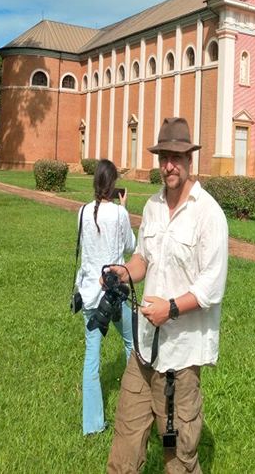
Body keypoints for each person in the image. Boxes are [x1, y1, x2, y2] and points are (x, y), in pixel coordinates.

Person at [106, 117, 228, 473]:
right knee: (125, 441)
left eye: (176, 157)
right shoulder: (153, 206)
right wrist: (125, 272)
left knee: (178, 454)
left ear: (190, 161)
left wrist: (171, 309)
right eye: (164, 157)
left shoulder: (209, 214)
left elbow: (212, 287)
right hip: (144, 349)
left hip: (180, 358)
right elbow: (144, 257)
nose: (169, 165)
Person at [76, 159, 136, 436]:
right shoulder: (119, 214)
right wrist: (125, 210)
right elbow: (130, 246)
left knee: (92, 358)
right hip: (114, 294)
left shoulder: (82, 212)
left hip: (89, 294)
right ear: (113, 185)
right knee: (132, 346)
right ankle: (135, 408)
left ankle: (92, 424)